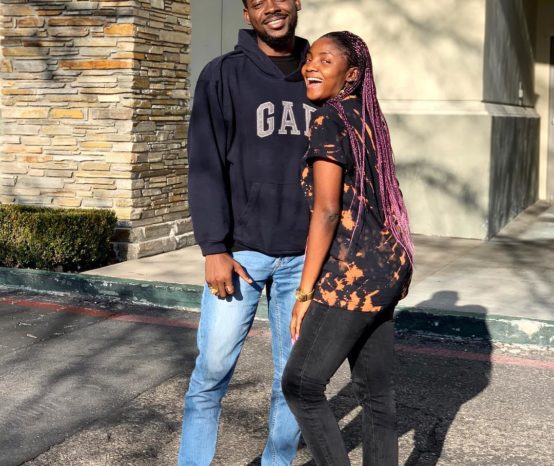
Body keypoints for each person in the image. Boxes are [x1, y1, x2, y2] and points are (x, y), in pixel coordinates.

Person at [179, 1, 316, 465]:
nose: (271, 7)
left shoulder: (321, 73)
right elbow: (205, 165)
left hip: (306, 258)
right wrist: (213, 247)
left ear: (296, 2)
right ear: (246, 13)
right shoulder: (222, 75)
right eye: (258, 2)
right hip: (240, 255)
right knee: (211, 373)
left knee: (293, 380)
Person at [281, 31, 414, 466]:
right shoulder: (366, 116)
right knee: (376, 393)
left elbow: (326, 211)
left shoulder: (329, 119)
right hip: (386, 267)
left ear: (351, 75)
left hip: (353, 273)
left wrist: (304, 292)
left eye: (325, 60)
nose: (310, 66)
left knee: (301, 384)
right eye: (309, 58)